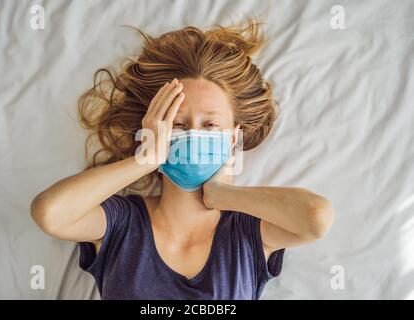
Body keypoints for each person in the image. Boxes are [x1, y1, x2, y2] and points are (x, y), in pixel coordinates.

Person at [30, 19, 334, 299]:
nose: (193, 134)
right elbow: (49, 213)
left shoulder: (247, 233)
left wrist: (222, 195)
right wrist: (145, 159)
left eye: (210, 125)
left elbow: (316, 216)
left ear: (231, 139)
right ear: (152, 133)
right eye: (177, 124)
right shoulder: (122, 223)